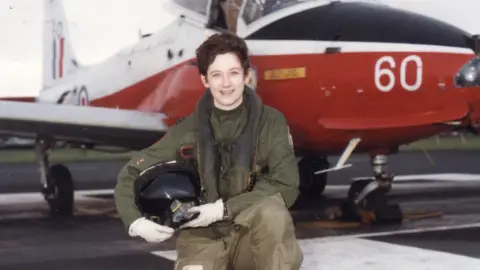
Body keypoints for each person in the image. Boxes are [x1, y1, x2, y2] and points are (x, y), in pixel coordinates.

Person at [114, 32, 303, 270]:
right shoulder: (188, 129)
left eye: (233, 73)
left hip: (251, 235)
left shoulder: (271, 122)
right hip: (202, 240)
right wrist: (137, 223)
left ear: (247, 76)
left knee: (272, 213)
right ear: (205, 80)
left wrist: (222, 210)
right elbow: (130, 173)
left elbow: (286, 184)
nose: (226, 84)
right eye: (217, 75)